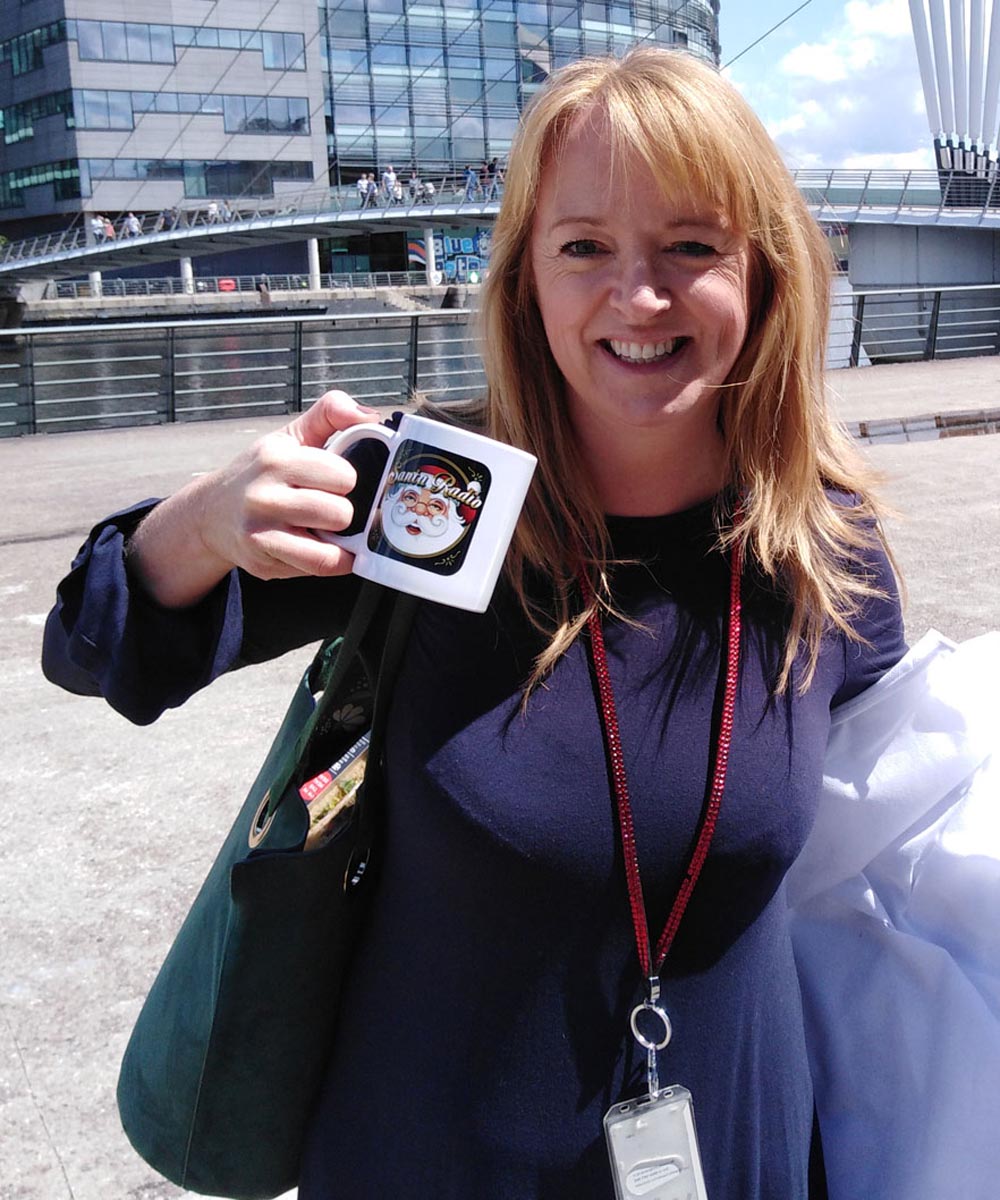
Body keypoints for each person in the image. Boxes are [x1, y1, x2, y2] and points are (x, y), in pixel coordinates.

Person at [43, 49, 921, 1198]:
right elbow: (98, 650)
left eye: (692, 246)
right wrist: (204, 523)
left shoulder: (822, 545)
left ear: (763, 275)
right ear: (525, 282)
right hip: (431, 1159)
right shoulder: (431, 497)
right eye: (584, 248)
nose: (638, 295)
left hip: (739, 1151)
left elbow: (887, 864)